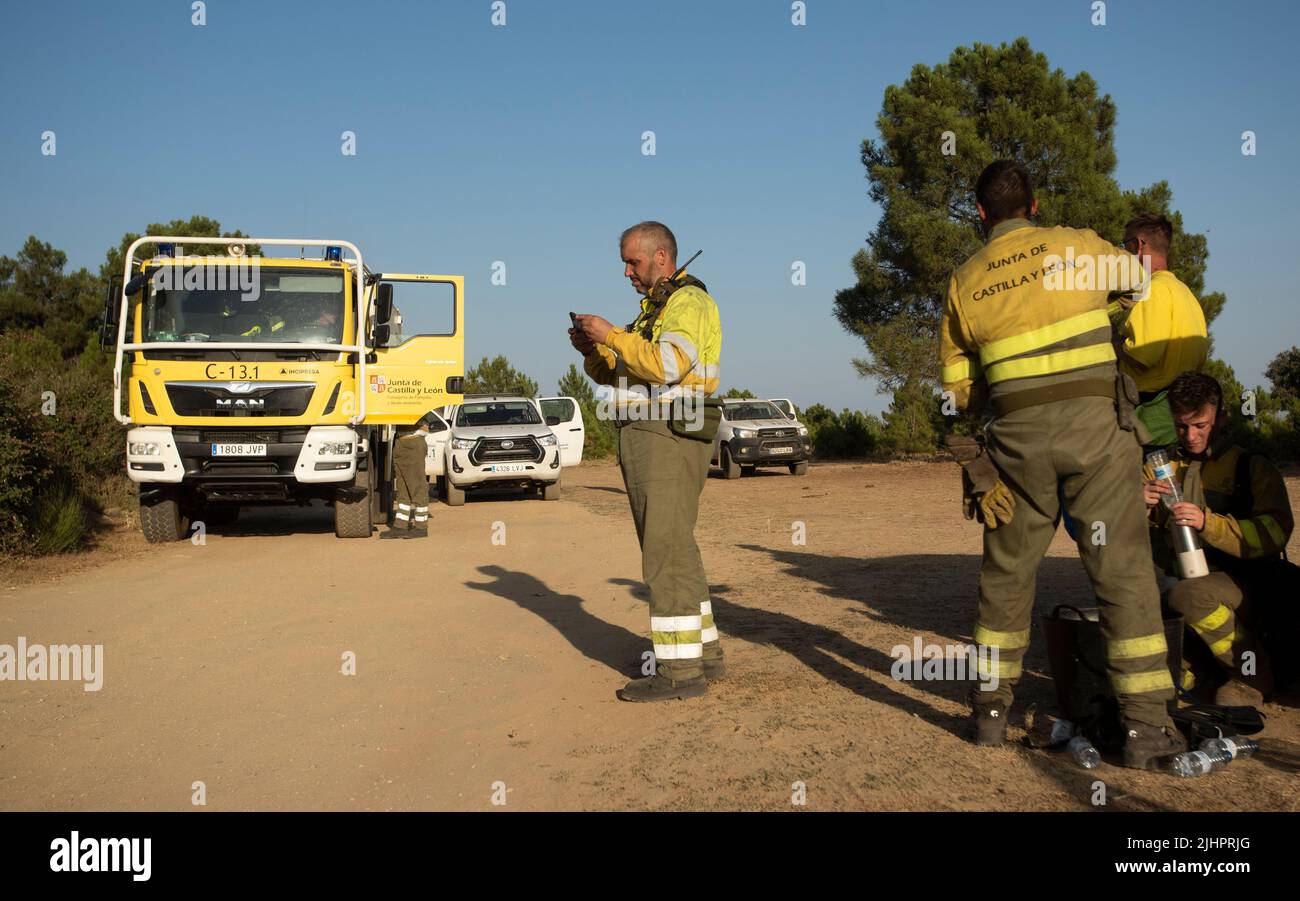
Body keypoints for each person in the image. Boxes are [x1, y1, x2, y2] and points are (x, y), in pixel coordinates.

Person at [939, 160, 1185, 769]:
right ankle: (1147, 733)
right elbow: (1140, 281)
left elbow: (957, 393)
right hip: (1096, 436)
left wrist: (975, 461)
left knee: (1006, 577)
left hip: (1017, 445)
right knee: (1122, 573)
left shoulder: (965, 281)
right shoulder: (1077, 246)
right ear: (1035, 204)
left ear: (979, 213)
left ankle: (990, 717)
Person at [570, 221, 724, 701]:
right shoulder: (654, 311)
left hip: (667, 435)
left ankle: (679, 673)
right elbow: (622, 373)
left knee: (663, 551)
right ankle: (704, 655)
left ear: (661, 257)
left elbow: (669, 365)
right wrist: (594, 351)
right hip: (654, 433)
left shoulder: (687, 302)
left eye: (632, 262)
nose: (626, 272)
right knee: (676, 545)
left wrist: (612, 334)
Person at [1143, 372, 1295, 705]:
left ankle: (1251, 674)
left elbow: (1276, 532)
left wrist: (1208, 523)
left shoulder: (1251, 467)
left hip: (1246, 583)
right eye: (1182, 426)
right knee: (1139, 603)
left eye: (1201, 425)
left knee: (1189, 596)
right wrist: (1140, 504)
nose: (1191, 436)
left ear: (1221, 416)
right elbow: (1118, 529)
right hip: (1179, 579)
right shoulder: (1161, 465)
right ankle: (1195, 671)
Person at [1112, 213, 1209, 448]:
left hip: (1152, 420)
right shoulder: (1185, 294)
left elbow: (1142, 355)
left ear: (1139, 246)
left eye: (1126, 246)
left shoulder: (1153, 291)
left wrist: (1114, 340)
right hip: (1178, 416)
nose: (1124, 254)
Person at [383, 417, 431, 539]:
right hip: (402, 443)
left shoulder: (415, 401)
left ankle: (421, 526)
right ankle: (400, 526)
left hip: (413, 442)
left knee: (417, 486)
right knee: (402, 489)